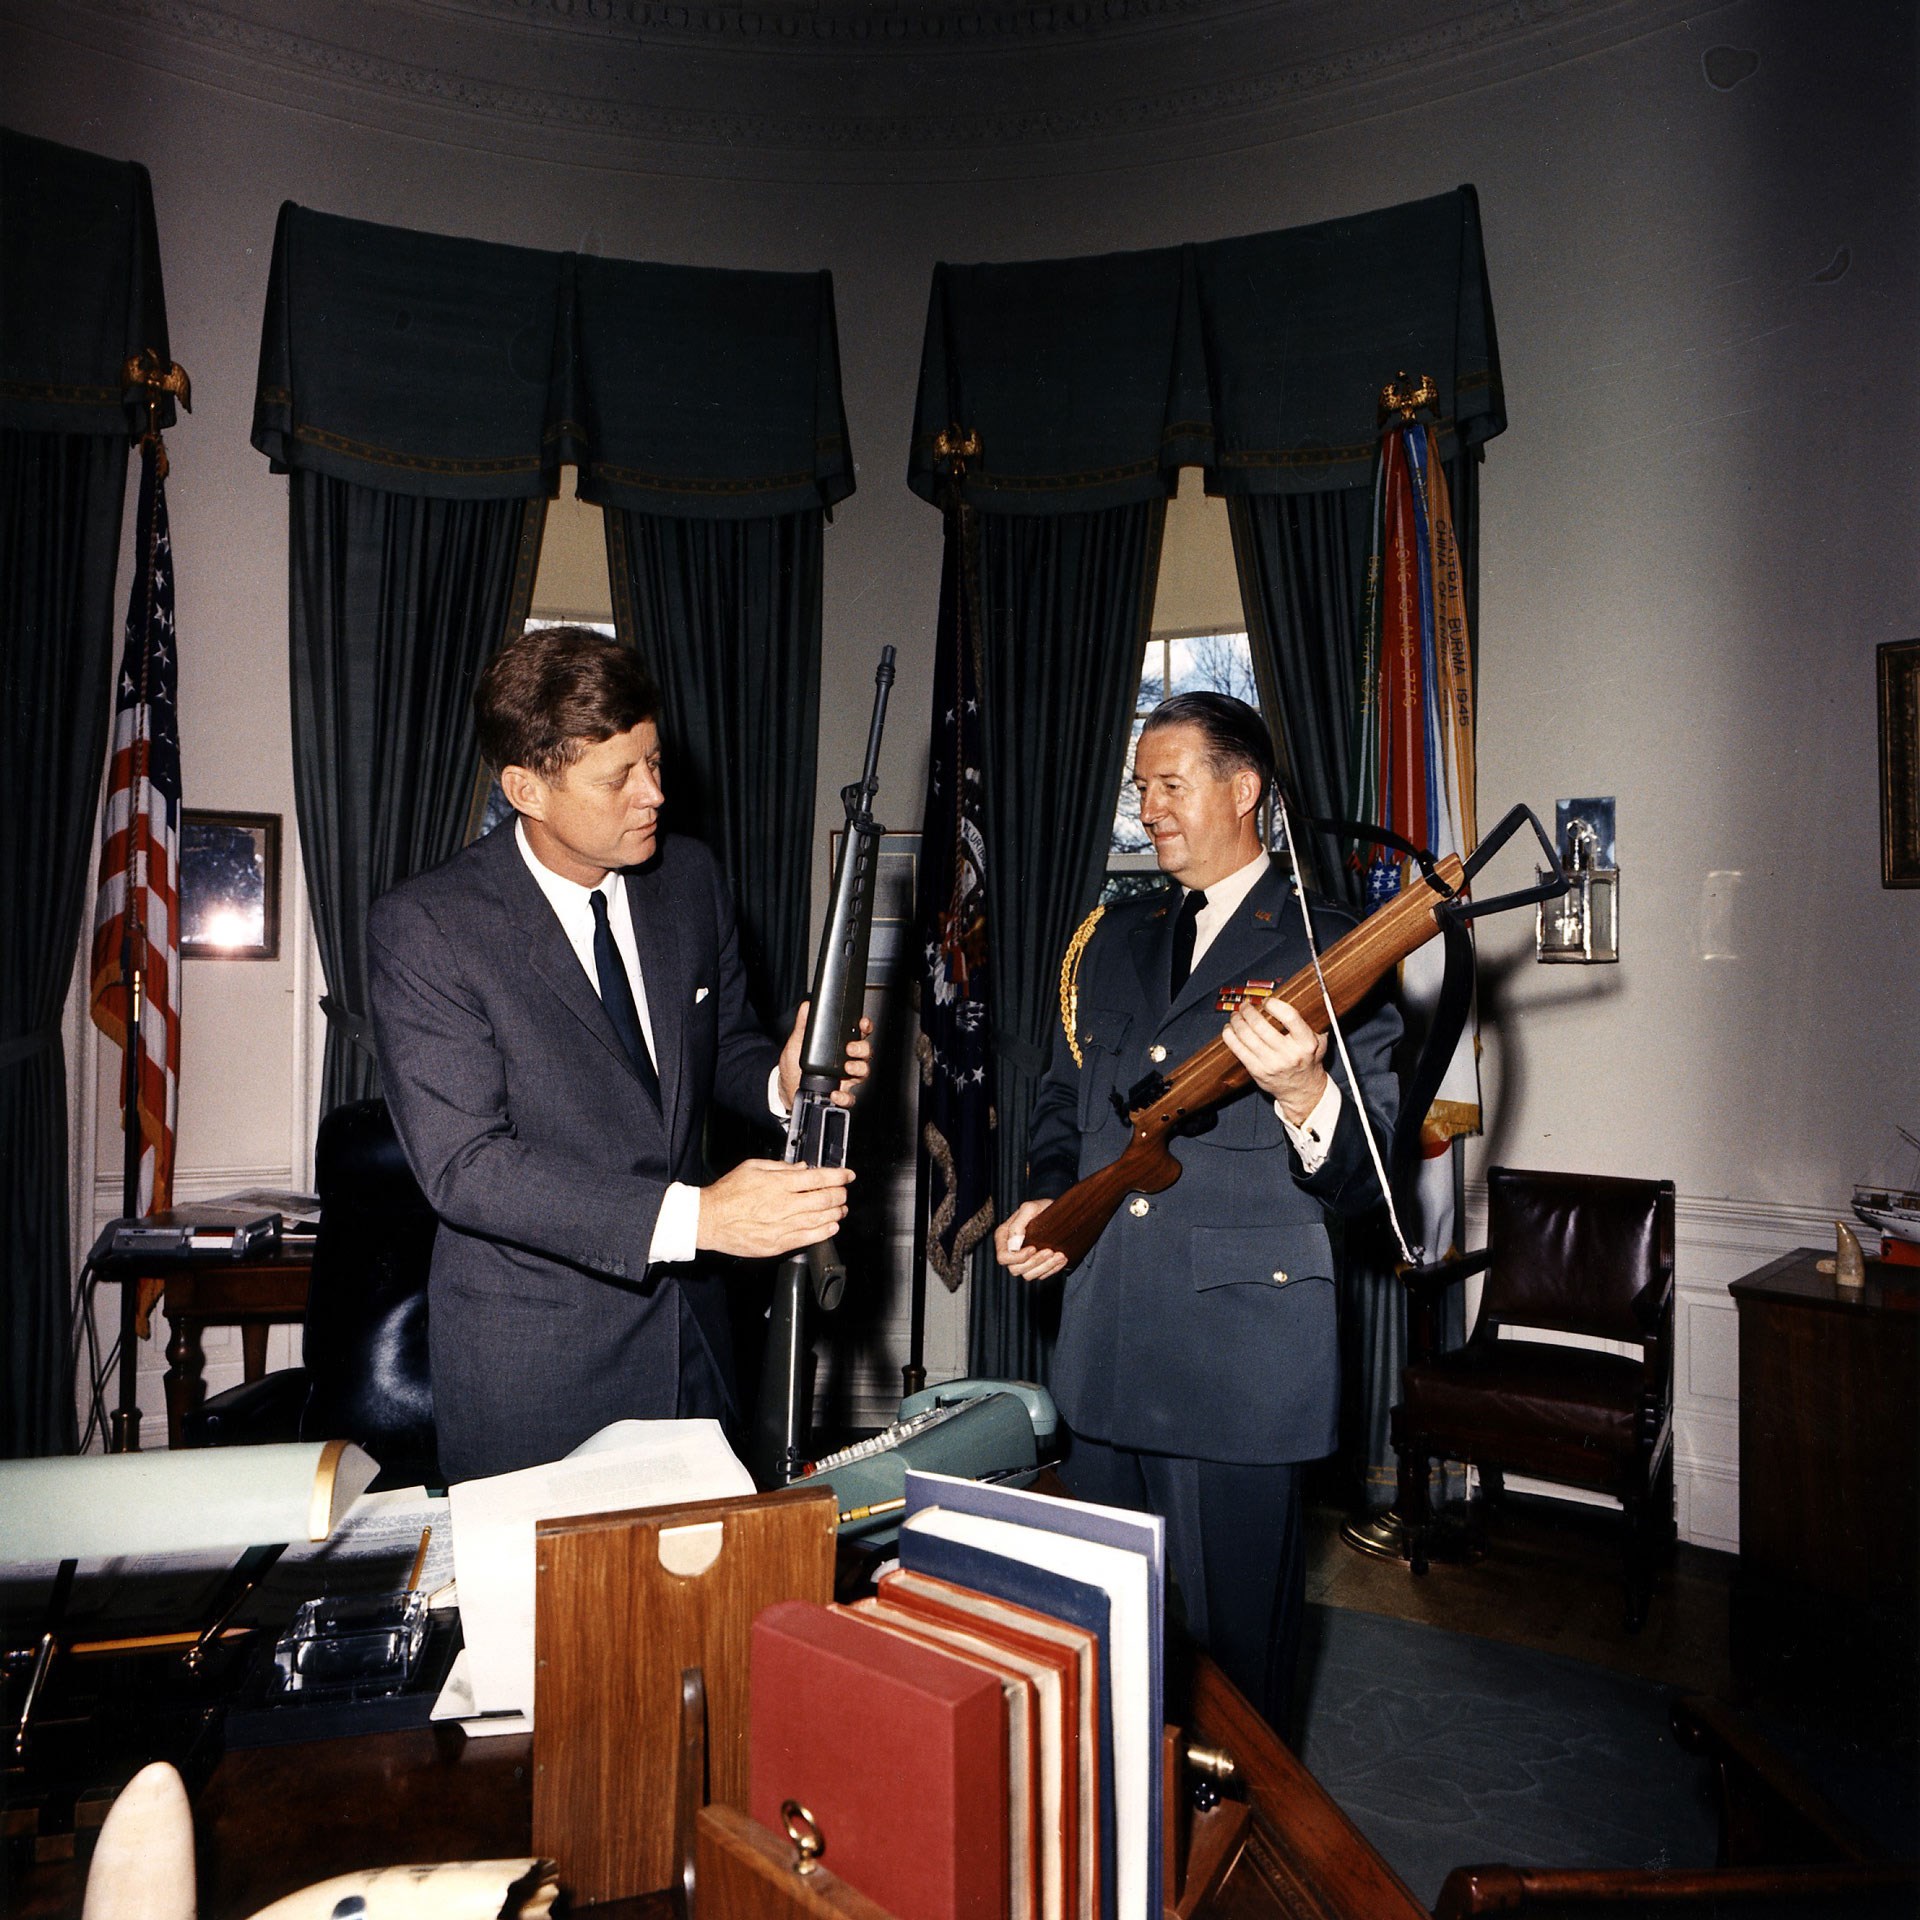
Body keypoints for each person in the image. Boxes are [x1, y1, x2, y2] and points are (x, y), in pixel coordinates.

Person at [368, 624, 869, 1481]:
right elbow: (468, 1167)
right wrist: (702, 1218)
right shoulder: (428, 928)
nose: (654, 796)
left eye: (656, 762)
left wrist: (783, 1084)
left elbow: (725, 1049)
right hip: (538, 1368)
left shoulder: (689, 881)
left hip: (699, 1345)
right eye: (618, 777)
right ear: (525, 787)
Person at [995, 692, 1399, 1732]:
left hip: (1239, 1358)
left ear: (1245, 789)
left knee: (1235, 1671)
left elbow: (1376, 1175)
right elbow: (1062, 1098)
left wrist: (1309, 1093)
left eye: (1169, 785)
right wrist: (1046, 1194)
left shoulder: (1332, 948)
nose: (1148, 810)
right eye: (1141, 788)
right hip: (1109, 1334)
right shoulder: (1115, 938)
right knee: (1107, 1647)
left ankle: (1241, 1859)